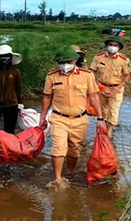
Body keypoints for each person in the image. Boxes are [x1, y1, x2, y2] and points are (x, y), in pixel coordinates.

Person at [40, 46, 104, 187]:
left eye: (68, 61)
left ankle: (69, 172)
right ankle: (57, 179)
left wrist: (100, 118)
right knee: (58, 147)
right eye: (61, 62)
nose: (65, 65)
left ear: (75, 60)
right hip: (58, 118)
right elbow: (46, 97)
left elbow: (93, 97)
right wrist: (42, 117)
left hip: (79, 119)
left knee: (74, 149)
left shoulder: (87, 76)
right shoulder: (52, 76)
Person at [90, 36, 131, 138]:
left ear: (119, 47)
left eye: (115, 45)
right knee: (102, 109)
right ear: (107, 45)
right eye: (111, 45)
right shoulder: (98, 57)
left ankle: (109, 131)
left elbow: (127, 75)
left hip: (116, 89)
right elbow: (93, 71)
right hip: (101, 87)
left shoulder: (124, 60)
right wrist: (95, 83)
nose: (112, 47)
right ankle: (103, 127)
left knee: (113, 110)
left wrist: (118, 87)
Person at [0, 45, 23, 134]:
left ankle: (9, 147)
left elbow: (18, 89)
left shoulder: (15, 71)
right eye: (2, 56)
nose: (4, 58)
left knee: (10, 130)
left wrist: (20, 103)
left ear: (11, 57)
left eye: (7, 56)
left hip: (11, 104)